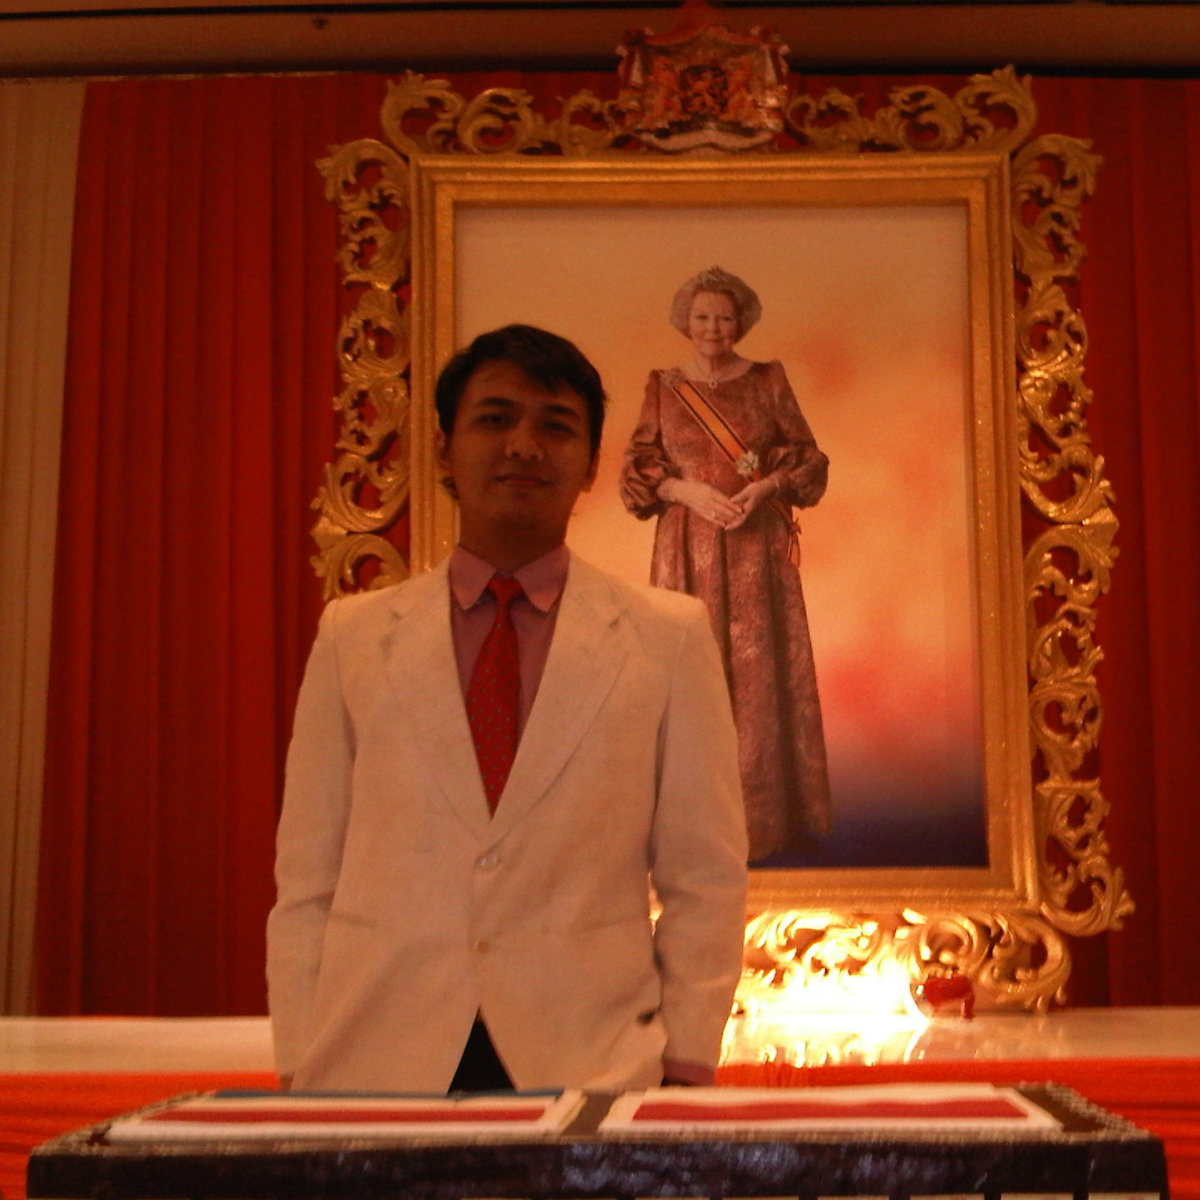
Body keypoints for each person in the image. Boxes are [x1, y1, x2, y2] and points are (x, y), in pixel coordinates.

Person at [267, 324, 748, 1094]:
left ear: (589, 465)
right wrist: (300, 1057)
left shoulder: (668, 637)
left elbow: (705, 877)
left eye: (556, 426)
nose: (524, 445)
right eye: (494, 419)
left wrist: (686, 1064)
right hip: (374, 1058)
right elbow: (308, 875)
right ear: (442, 449)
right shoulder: (353, 636)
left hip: (590, 1062)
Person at [620, 267, 830, 862]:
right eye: (702, 316)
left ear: (742, 322)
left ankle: (762, 826)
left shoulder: (768, 379)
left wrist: (765, 489)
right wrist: (685, 492)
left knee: (760, 675)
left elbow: (808, 458)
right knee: (689, 675)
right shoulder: (663, 386)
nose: (713, 327)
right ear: (685, 322)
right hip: (685, 547)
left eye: (725, 317)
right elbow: (637, 469)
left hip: (756, 550)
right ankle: (686, 829)